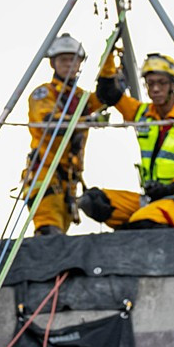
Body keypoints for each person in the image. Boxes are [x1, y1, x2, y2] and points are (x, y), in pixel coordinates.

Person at [79, 53, 174, 230]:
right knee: (93, 201)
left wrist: (172, 187)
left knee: (142, 221)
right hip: (151, 199)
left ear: (173, 85)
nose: (155, 89)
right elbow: (109, 93)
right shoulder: (142, 113)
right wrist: (109, 56)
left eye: (162, 83)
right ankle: (134, 229)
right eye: (150, 83)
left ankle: (136, 230)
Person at [23, 33, 109, 235]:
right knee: (49, 233)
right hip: (46, 175)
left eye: (73, 59)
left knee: (60, 236)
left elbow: (107, 95)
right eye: (63, 60)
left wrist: (111, 67)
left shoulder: (80, 97)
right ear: (53, 63)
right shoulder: (43, 94)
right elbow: (50, 123)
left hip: (68, 182)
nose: (69, 64)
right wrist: (88, 121)